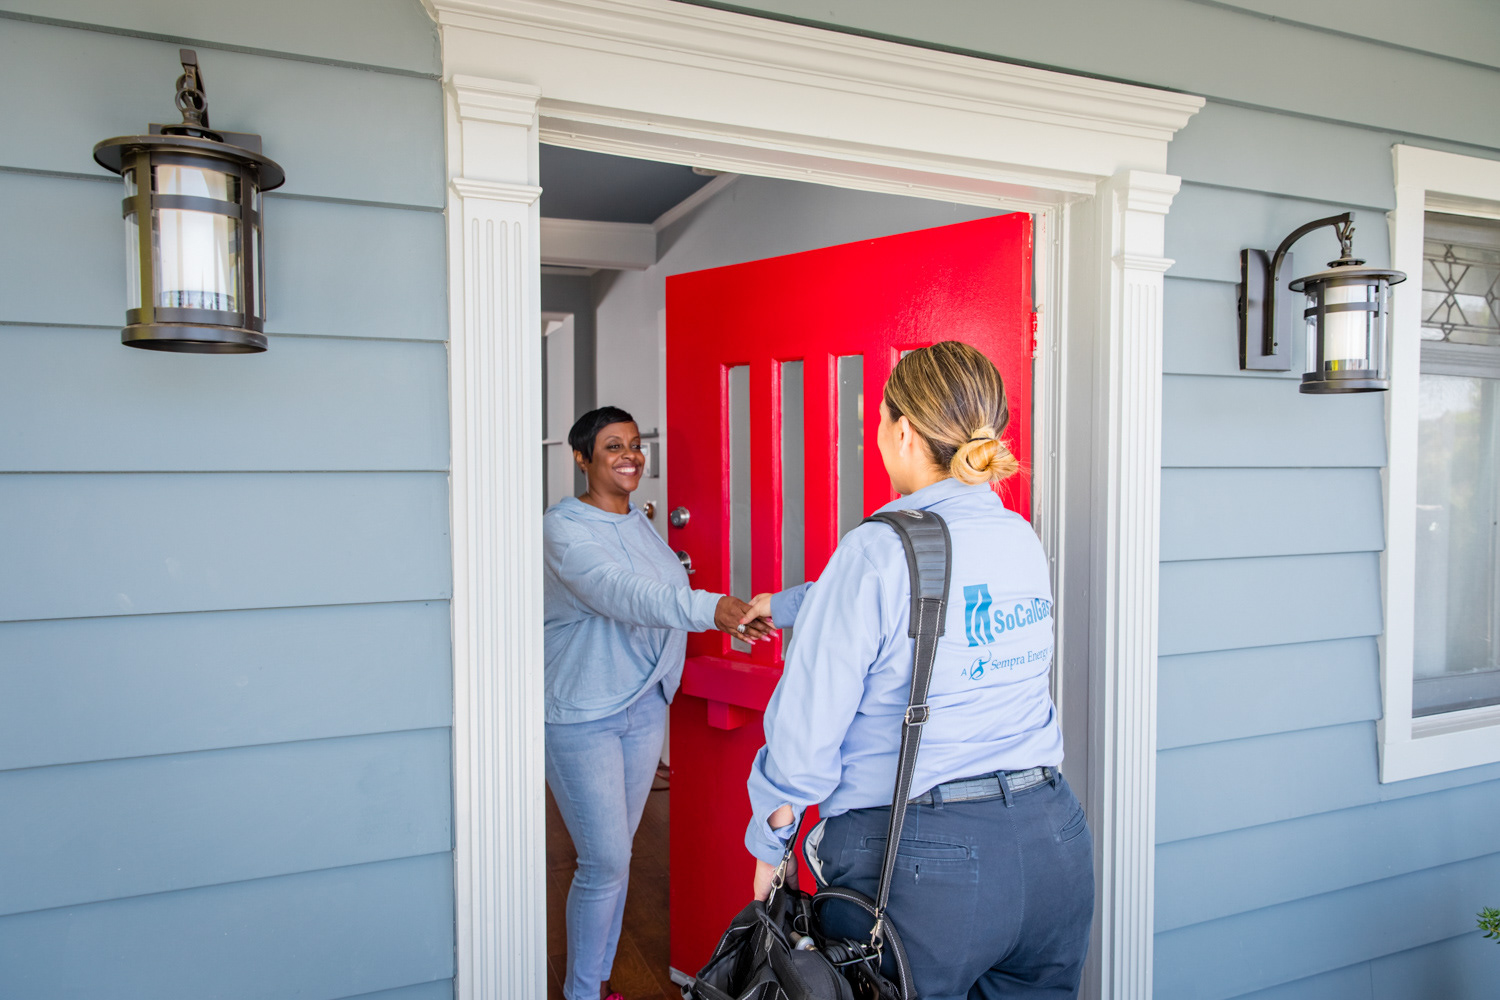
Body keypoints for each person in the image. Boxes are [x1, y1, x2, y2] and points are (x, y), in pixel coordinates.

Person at [741, 342, 1094, 999]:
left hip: (926, 866)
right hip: (1053, 842)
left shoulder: (875, 550)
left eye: (876, 420)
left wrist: (772, 845)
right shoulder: (1018, 536)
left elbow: (805, 735)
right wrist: (787, 604)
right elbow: (925, 607)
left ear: (902, 430)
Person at [544, 405, 771, 1000]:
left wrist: (717, 624)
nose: (629, 455)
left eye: (634, 444)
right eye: (612, 445)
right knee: (605, 862)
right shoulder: (563, 530)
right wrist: (711, 608)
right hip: (584, 713)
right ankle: (582, 993)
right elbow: (621, 594)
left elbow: (662, 591)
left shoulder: (638, 521)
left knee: (615, 860)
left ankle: (596, 983)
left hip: (643, 706)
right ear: (581, 458)